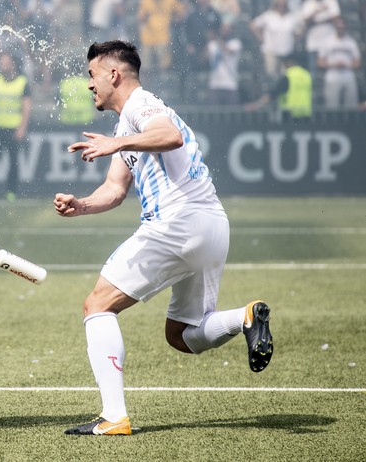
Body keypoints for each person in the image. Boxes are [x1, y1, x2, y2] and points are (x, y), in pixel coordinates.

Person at [53, 40, 273, 436]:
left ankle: (113, 416)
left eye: (92, 75)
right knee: (182, 335)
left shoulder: (142, 104)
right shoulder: (127, 124)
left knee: (97, 305)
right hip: (210, 227)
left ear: (114, 74)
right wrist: (81, 205)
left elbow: (169, 135)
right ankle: (244, 317)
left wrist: (115, 143)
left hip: (177, 222)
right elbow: (115, 190)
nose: (89, 85)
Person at [0, 50, 32, 201]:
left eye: (5, 62)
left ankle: (12, 191)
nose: (1, 65)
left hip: (13, 128)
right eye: (1, 62)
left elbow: (26, 107)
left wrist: (22, 128)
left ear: (13, 64)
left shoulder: (22, 82)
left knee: (13, 161)